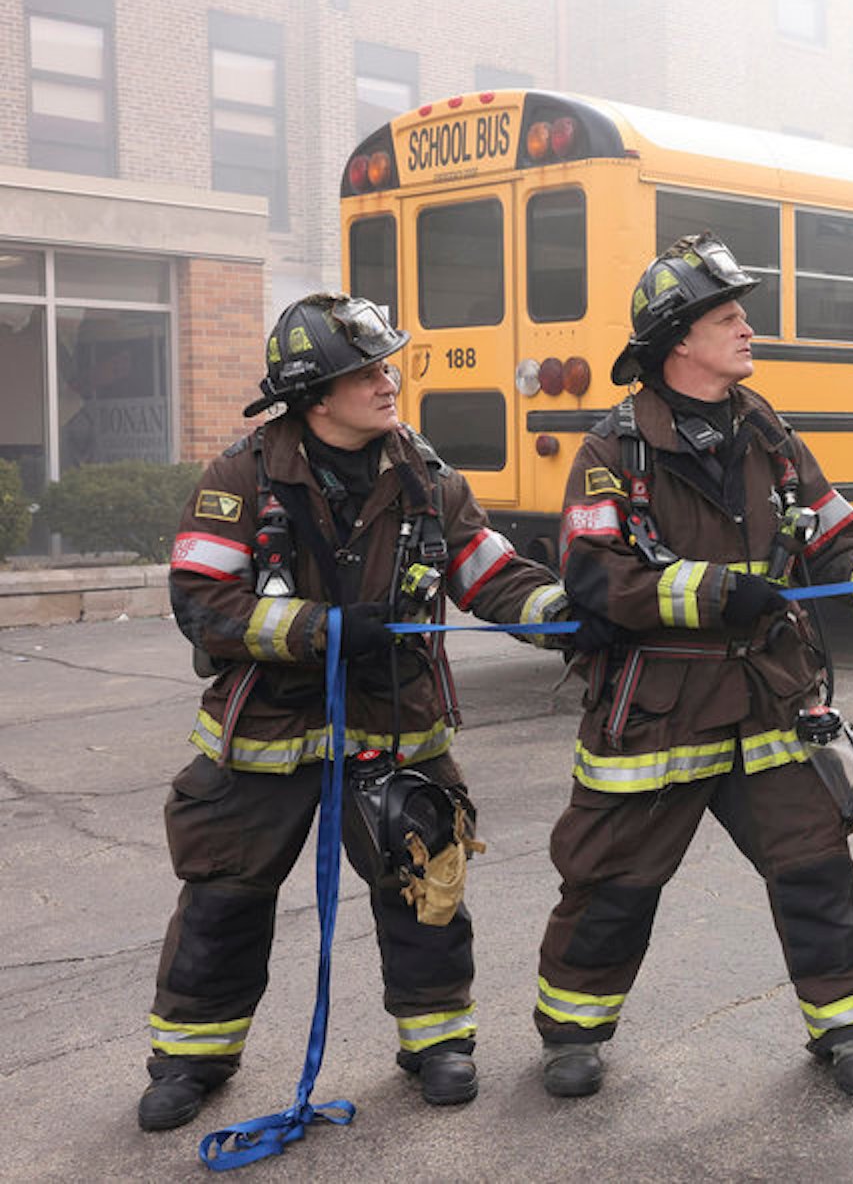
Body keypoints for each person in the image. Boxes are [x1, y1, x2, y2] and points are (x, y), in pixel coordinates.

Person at [531, 233, 853, 1100]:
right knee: (612, 883)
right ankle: (571, 1034)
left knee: (815, 869)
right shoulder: (614, 452)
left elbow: (835, 542)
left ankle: (849, 1031)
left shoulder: (771, 437)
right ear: (679, 340)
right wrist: (721, 594)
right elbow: (597, 577)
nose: (747, 328)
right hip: (656, 709)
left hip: (771, 699)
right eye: (728, 317)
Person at [139, 293, 572, 1131]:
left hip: (397, 723)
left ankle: (437, 1043)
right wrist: (323, 629)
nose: (388, 382)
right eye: (365, 370)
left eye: (384, 364)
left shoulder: (428, 478)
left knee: (424, 885)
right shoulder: (240, 477)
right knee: (224, 897)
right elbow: (203, 603)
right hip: (264, 731)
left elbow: (489, 572)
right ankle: (191, 1059)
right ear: (314, 395)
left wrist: (558, 610)